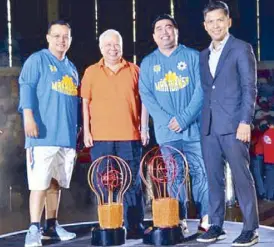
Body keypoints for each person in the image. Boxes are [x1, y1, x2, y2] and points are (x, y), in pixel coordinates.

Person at [139, 14, 209, 233]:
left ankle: (206, 217)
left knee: (200, 172)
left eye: (169, 27)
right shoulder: (148, 62)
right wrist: (167, 121)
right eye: (159, 28)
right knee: (174, 175)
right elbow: (146, 96)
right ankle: (179, 218)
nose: (164, 32)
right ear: (153, 36)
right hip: (166, 131)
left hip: (194, 130)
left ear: (176, 31)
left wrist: (184, 118)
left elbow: (201, 90)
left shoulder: (193, 57)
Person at [197, 1, 259, 246]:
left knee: (242, 178)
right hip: (209, 128)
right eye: (210, 21)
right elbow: (207, 91)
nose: (215, 25)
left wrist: (246, 121)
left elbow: (249, 88)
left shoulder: (241, 49)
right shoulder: (203, 55)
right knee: (214, 179)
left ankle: (250, 229)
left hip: (234, 126)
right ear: (205, 25)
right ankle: (216, 225)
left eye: (219, 20)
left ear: (228, 21)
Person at [80, 29, 149, 239]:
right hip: (101, 138)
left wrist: (144, 128)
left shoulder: (135, 70)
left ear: (122, 46)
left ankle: (134, 226)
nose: (112, 48)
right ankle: (110, 225)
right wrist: (87, 131)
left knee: (132, 183)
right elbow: (85, 103)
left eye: (116, 44)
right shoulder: (91, 72)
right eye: (108, 45)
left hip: (130, 136)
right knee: (105, 182)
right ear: (101, 48)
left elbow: (145, 102)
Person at [18, 20, 79, 247]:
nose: (61, 40)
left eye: (65, 36)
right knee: (39, 183)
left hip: (65, 136)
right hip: (42, 135)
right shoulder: (37, 60)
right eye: (57, 36)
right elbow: (26, 88)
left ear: (70, 40)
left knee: (55, 183)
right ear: (48, 37)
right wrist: (28, 117)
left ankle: (51, 226)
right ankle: (34, 229)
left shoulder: (72, 68)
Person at [262, 117, 274, 201]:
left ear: (268, 125)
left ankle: (267, 196)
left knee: (269, 179)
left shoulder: (265, 134)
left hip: (267, 160)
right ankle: (270, 196)